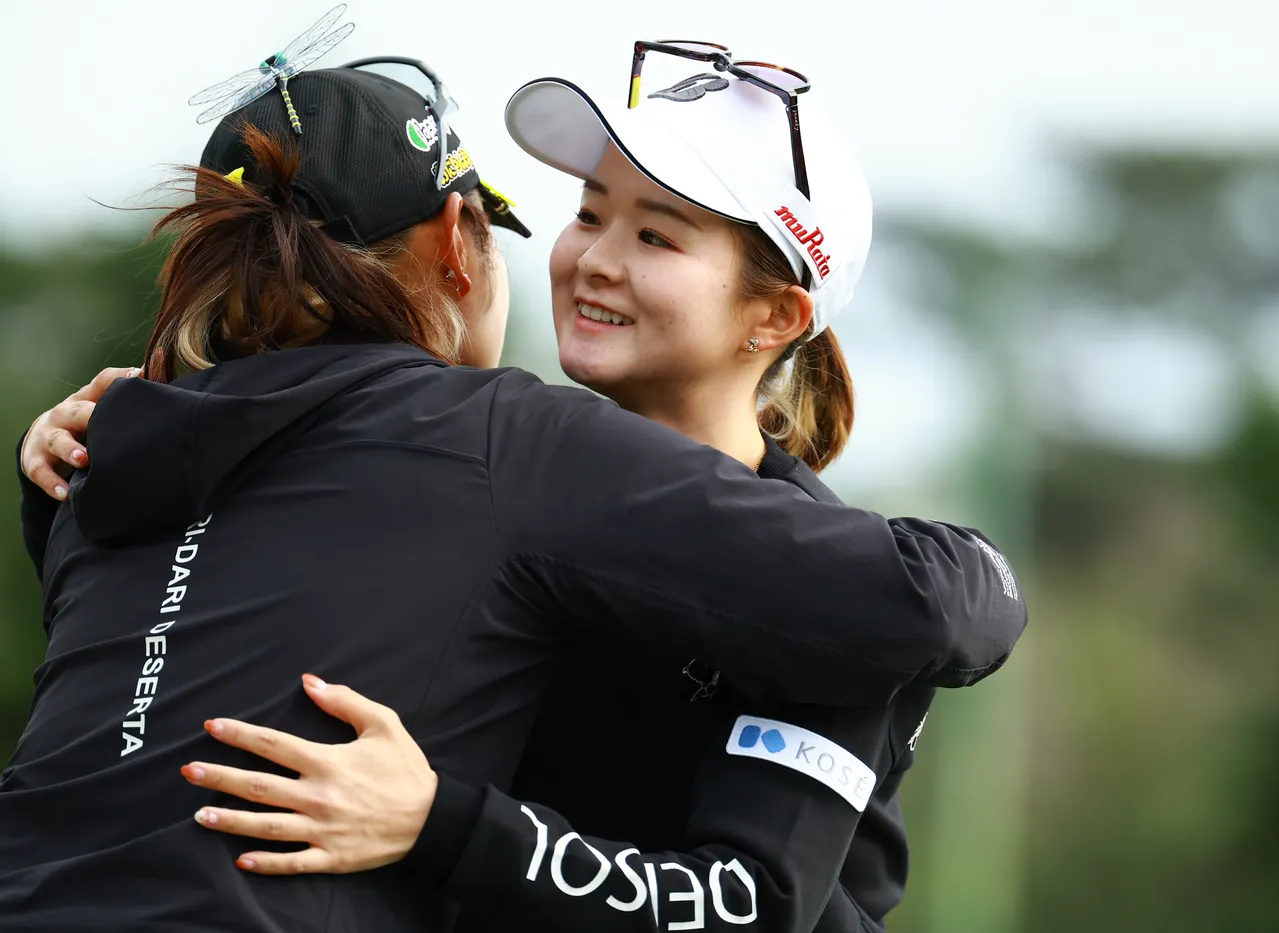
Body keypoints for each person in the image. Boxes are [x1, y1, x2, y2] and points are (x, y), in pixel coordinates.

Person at [4, 52, 1024, 933]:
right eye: (589, 214)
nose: (594, 260)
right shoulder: (478, 469)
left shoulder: (827, 584)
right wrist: (81, 464)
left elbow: (750, 908)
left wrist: (441, 822)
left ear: (774, 316)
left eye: (657, 236)